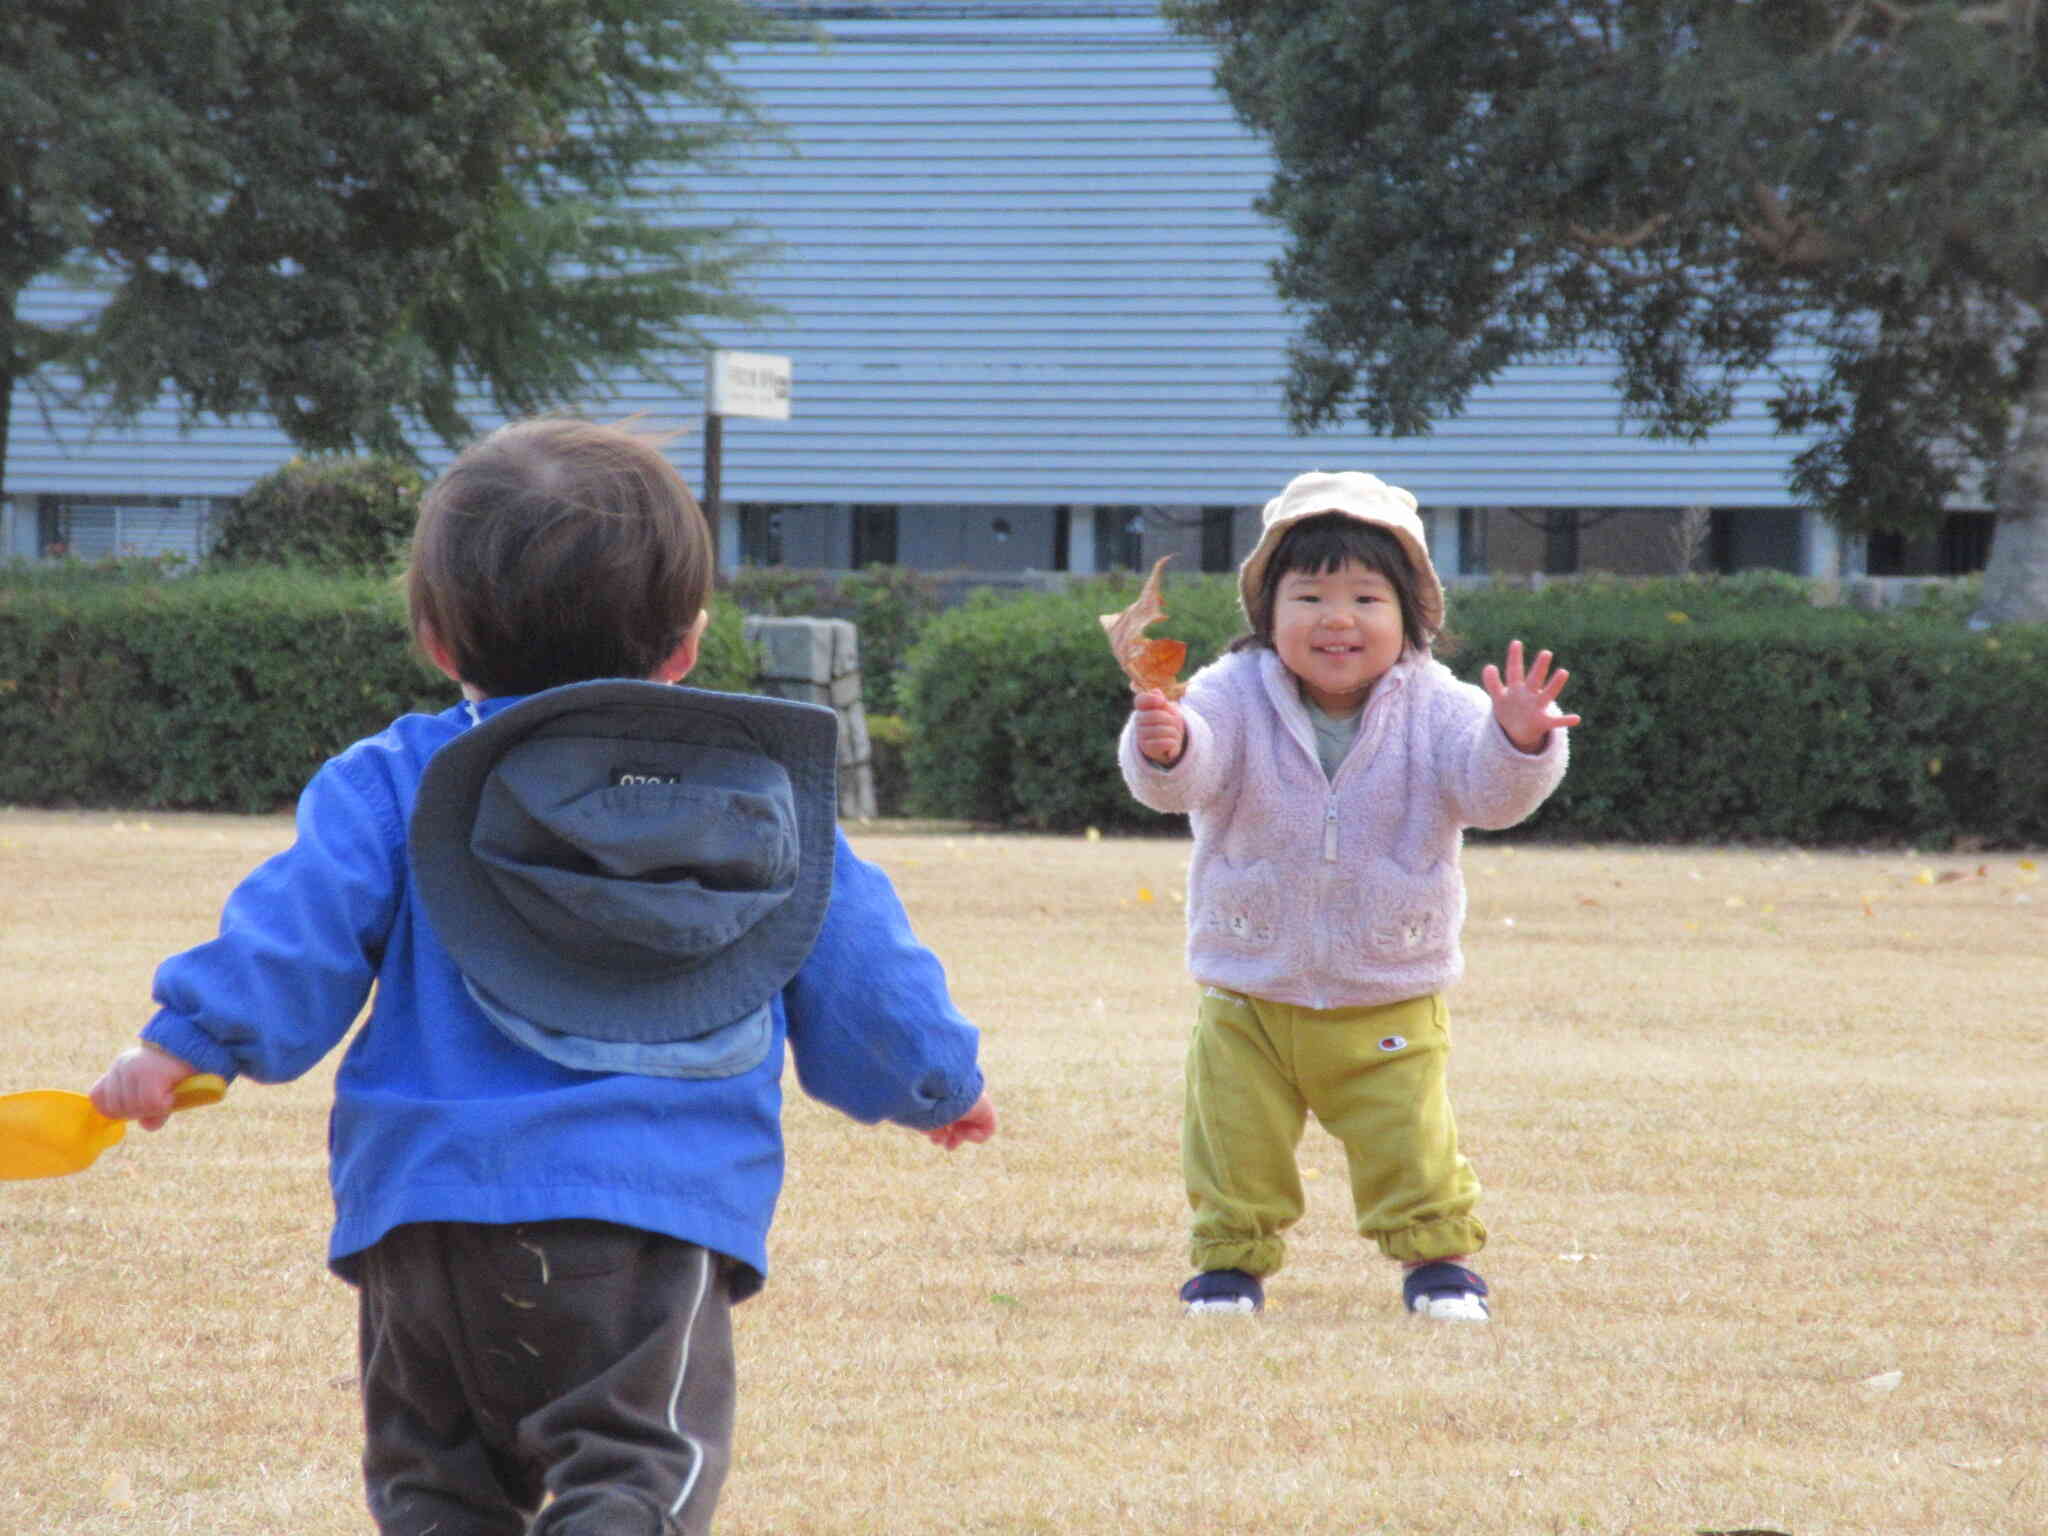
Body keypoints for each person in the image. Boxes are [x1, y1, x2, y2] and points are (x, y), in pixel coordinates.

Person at [91, 417, 996, 1536]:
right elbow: (862, 966)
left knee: (434, 1487)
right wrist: (934, 1083)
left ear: (433, 635)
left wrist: (187, 1041)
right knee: (634, 1475)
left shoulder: (396, 781)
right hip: (644, 1223)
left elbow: (296, 929)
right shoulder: (760, 799)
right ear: (685, 643)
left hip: (423, 1217)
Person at [1118, 469, 1574, 1324]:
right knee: (1231, 1138)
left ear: (1411, 614)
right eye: (1310, 595)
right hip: (1250, 975)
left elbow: (1489, 796)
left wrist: (1515, 741)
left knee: (1411, 1139)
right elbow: (1183, 780)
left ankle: (1439, 1267)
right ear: (1267, 612)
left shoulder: (1441, 705)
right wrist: (1168, 744)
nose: (1337, 618)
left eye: (1366, 596)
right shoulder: (1226, 693)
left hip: (1386, 979)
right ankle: (1228, 1270)